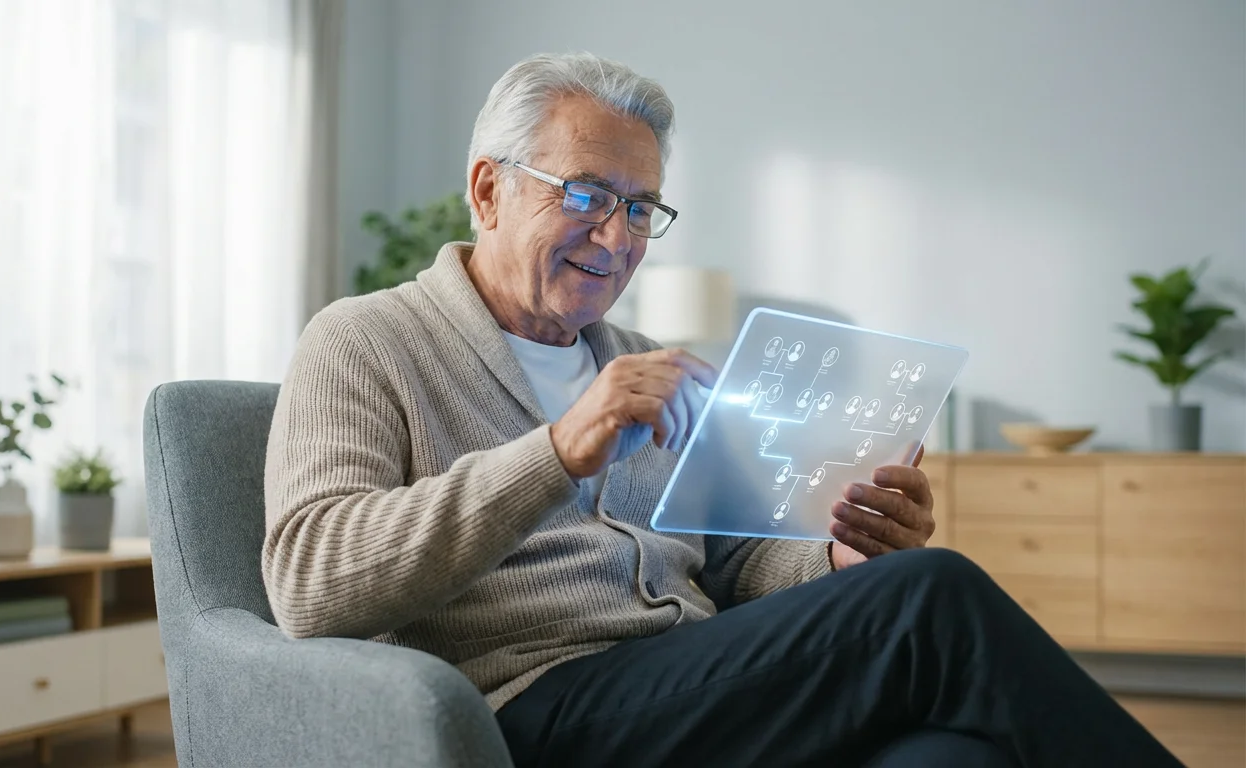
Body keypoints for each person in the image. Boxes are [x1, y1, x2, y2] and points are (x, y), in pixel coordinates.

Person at [262, 52, 1181, 767]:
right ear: (490, 189)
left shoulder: (635, 363)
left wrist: (838, 556)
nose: (616, 237)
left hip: (691, 685)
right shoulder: (364, 342)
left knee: (954, 757)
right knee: (931, 597)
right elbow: (309, 583)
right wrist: (555, 453)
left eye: (640, 209)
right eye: (586, 194)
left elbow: (735, 563)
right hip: (528, 709)